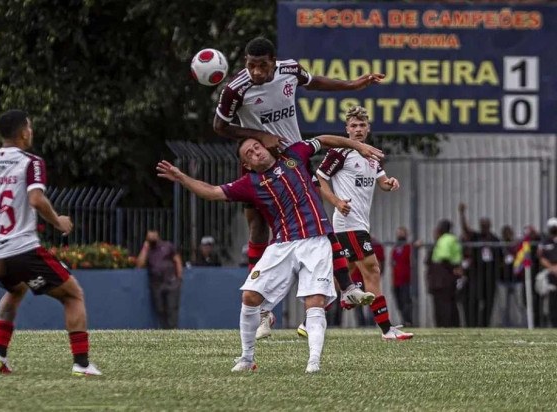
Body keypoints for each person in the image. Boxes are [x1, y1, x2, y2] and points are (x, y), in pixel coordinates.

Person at [157, 134, 383, 373]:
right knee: (250, 297)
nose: (256, 152)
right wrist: (181, 177)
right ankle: (246, 359)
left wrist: (358, 145)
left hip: (315, 241)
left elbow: (324, 140)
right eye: (250, 154)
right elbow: (212, 191)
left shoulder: (295, 154)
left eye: (257, 147)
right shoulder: (249, 183)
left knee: (314, 301)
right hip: (281, 246)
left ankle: (313, 363)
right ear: (247, 164)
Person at [214, 36, 385, 336]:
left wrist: (352, 85)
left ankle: (346, 288)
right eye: (251, 65)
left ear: (273, 62)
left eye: (262, 66)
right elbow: (220, 126)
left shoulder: (289, 70)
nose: (256, 72)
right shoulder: (235, 89)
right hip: (258, 159)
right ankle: (263, 311)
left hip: (292, 158)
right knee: (257, 228)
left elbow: (315, 82)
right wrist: (259, 134)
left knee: (317, 220)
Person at [0, 110, 101, 376]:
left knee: (15, 290)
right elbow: (35, 199)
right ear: (24, 132)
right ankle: (82, 364)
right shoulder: (31, 162)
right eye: (30, 128)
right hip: (22, 248)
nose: (31, 132)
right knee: (73, 295)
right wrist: (58, 221)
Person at [315, 105, 413, 340]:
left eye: (361, 125)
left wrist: (390, 183)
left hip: (360, 224)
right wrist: (337, 202)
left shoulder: (371, 155)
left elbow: (382, 183)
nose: (358, 130)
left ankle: (310, 319)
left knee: (343, 272)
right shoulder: (340, 152)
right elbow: (319, 178)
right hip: (349, 224)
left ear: (368, 128)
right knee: (372, 270)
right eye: (353, 126)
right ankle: (387, 329)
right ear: (346, 129)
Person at [458, 203, 502, 326]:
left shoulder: (494, 239)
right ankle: (474, 324)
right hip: (476, 275)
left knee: (489, 302)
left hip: (490, 276)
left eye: (486, 225)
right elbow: (466, 229)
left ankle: (485, 324)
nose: (484, 227)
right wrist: (462, 214)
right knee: (475, 301)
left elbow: (500, 257)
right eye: (482, 225)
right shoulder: (476, 237)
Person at [136, 229, 183, 329]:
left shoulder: (167, 246)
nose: (152, 236)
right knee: (160, 309)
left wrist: (179, 278)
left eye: (153, 233)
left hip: (171, 282)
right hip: (156, 284)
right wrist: (145, 247)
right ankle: (165, 331)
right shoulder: (148, 249)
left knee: (172, 308)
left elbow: (177, 259)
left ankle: (173, 332)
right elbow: (140, 264)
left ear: (157, 234)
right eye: (149, 235)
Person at [426, 219, 462, 327]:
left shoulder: (444, 240)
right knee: (450, 302)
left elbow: (443, 258)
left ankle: (445, 325)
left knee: (443, 304)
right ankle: (453, 325)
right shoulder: (452, 239)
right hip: (446, 278)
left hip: (442, 279)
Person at [390, 227, 415, 326]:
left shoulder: (408, 247)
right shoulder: (395, 248)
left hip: (406, 280)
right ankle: (404, 320)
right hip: (396, 280)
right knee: (399, 302)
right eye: (398, 233)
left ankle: (408, 321)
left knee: (406, 301)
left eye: (402, 233)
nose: (400, 235)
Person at [537, 217, 557, 326]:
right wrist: (552, 268)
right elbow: (541, 257)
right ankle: (551, 323)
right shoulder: (545, 242)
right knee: (550, 302)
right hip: (550, 275)